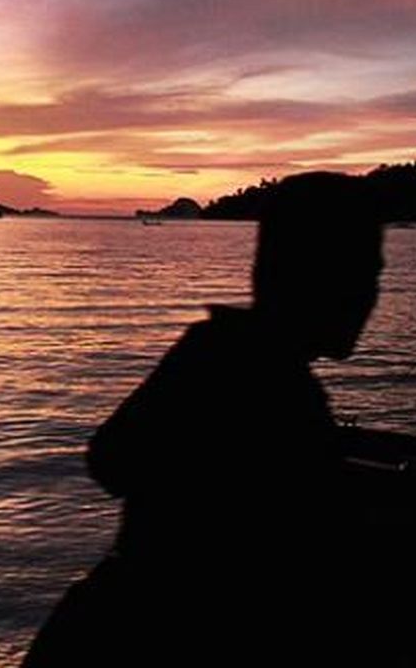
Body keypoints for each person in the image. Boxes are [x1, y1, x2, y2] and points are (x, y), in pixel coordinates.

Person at [23, 173, 385, 665]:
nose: (371, 297)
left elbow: (111, 459)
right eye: (362, 273)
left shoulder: (217, 352)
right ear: (307, 276)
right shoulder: (270, 387)